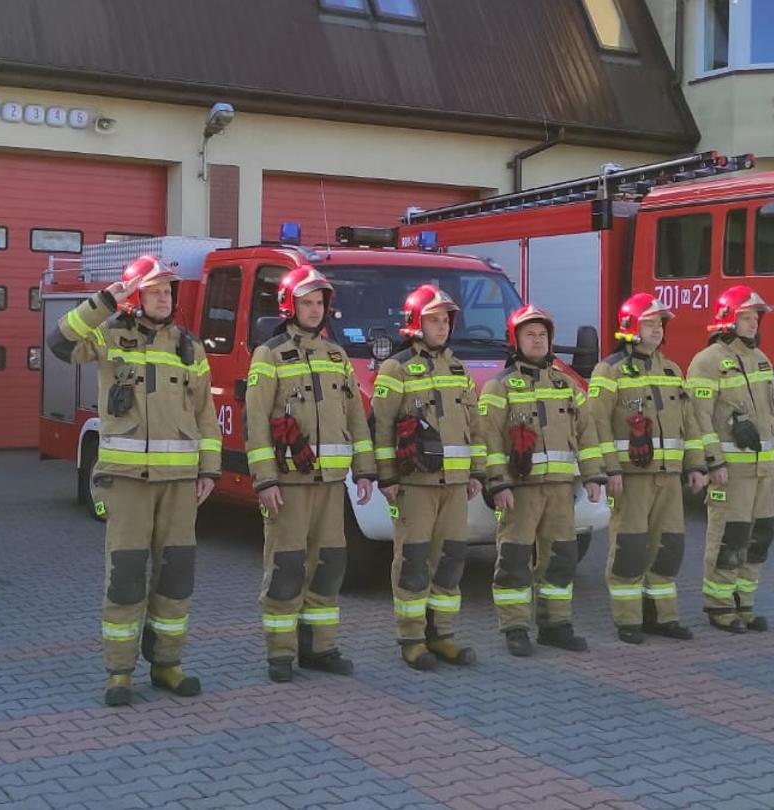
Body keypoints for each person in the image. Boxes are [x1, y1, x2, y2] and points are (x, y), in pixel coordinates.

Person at [46, 255, 220, 706]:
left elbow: (204, 414)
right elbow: (60, 341)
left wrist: (209, 470)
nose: (164, 297)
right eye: (154, 290)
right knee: (125, 576)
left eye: (168, 291)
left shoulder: (190, 347)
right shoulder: (109, 335)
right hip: (126, 483)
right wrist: (107, 300)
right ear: (135, 296)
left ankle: (167, 664)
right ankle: (119, 672)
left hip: (180, 485)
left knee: (175, 577)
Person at [243, 266, 378, 682]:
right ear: (289, 305)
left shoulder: (337, 356)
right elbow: (257, 422)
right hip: (288, 485)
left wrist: (365, 470)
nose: (315, 310)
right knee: (286, 566)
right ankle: (280, 654)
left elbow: (356, 416)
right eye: (307, 302)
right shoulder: (269, 356)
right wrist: (265, 479)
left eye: (320, 303)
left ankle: (320, 647)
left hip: (332, 485)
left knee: (328, 565)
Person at [478, 305, 606, 656]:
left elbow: (587, 434)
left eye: (542, 335)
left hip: (560, 491)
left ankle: (555, 625)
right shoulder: (498, 387)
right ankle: (515, 627)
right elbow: (486, 439)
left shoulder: (568, 385)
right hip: (520, 493)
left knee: (561, 559)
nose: (537, 340)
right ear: (515, 341)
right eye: (529, 334)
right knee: (515, 561)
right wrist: (497, 483)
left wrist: (594, 475)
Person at [587, 293, 714, 644]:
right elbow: (595, 424)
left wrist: (696, 466)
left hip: (669, 479)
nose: (657, 330)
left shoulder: (672, 370)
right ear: (630, 327)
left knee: (668, 547)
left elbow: (690, 425)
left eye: (660, 324)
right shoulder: (608, 371)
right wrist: (607, 470)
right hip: (630, 479)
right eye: (649, 323)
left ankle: (663, 617)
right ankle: (628, 620)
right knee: (630, 547)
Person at [371, 284, 484, 671]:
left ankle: (444, 635)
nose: (442, 326)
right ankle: (412, 638)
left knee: (450, 562)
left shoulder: (458, 368)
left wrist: (477, 473)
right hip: (414, 485)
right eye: (434, 319)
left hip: (454, 486)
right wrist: (387, 478)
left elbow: (476, 425)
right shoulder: (396, 368)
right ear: (415, 324)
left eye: (446, 319)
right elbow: (382, 428)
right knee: (414, 562)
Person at [686, 286, 774, 634]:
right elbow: (698, 417)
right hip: (731, 473)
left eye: (755, 318)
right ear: (727, 319)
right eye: (746, 317)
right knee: (730, 536)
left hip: (763, 470)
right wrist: (712, 462)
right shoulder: (707, 361)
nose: (753, 324)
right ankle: (719, 606)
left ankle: (744, 604)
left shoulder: (761, 359)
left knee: (760, 536)